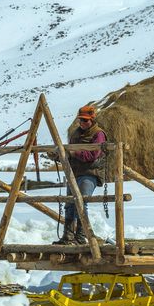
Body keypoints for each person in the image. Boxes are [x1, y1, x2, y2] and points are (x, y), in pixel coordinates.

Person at [51, 105, 107, 245]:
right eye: (81, 120)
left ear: (92, 120)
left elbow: (93, 155)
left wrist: (73, 153)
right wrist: (59, 155)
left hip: (90, 172)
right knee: (70, 203)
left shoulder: (98, 134)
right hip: (74, 173)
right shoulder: (75, 133)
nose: (83, 122)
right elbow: (69, 153)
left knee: (81, 202)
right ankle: (68, 237)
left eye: (86, 120)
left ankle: (81, 236)